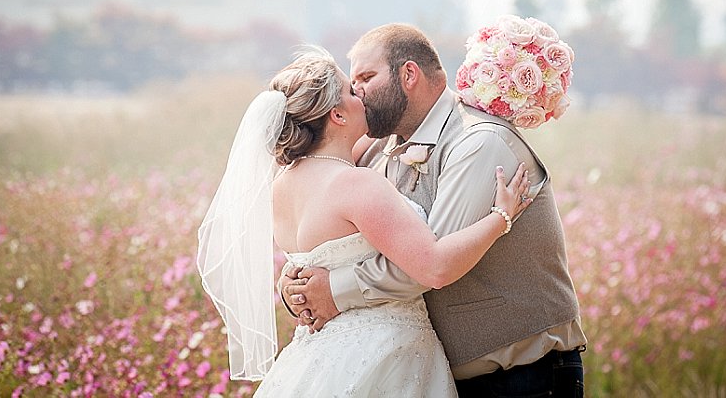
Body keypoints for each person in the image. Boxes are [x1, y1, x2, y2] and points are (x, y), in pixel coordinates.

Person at [197, 46, 532, 397]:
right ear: (338, 116)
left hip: (316, 359)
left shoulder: (282, 185)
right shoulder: (356, 183)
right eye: (352, 91)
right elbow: (434, 267)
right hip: (387, 354)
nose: (363, 95)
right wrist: (501, 217)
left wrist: (289, 287)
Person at [281, 24, 587, 397]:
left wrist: (334, 289)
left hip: (520, 376)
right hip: (433, 376)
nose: (357, 91)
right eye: (353, 83)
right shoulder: (376, 151)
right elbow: (339, 233)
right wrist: (295, 284)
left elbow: (428, 263)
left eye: (365, 77)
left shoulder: (479, 142)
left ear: (408, 74)